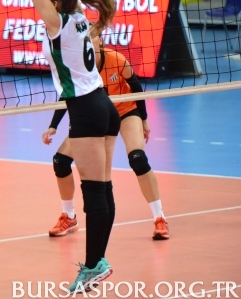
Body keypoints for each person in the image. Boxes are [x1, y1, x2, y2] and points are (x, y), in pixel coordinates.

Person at [11, 0, 119, 294]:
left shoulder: (57, 22)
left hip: (87, 110)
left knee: (95, 192)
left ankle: (93, 266)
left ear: (54, 3)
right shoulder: (76, 12)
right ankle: (97, 262)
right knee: (102, 188)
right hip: (102, 104)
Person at [43, 31, 169, 241]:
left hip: (126, 111)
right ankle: (69, 216)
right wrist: (53, 125)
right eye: (84, 37)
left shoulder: (116, 59)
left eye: (91, 36)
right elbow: (67, 95)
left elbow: (136, 86)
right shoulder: (77, 66)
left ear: (100, 40)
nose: (87, 40)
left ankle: (160, 218)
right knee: (60, 161)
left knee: (138, 158)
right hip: (96, 116)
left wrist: (145, 119)